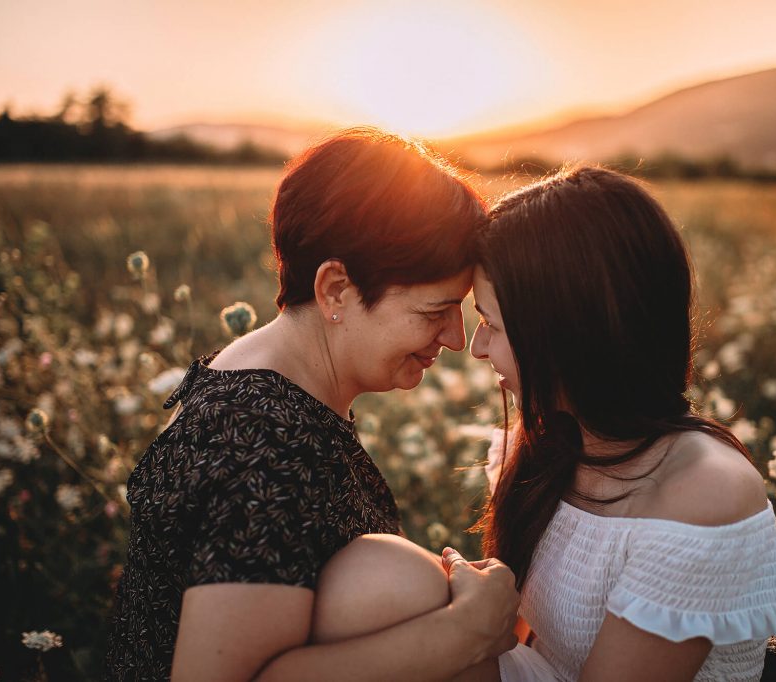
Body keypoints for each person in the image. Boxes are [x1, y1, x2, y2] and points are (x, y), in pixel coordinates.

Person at [104, 128, 519, 681]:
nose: (452, 337)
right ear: (335, 290)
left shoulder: (263, 384)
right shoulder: (261, 437)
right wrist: (463, 633)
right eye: (433, 311)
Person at [464, 166, 776, 681]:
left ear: (568, 331)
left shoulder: (703, 493)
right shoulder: (552, 449)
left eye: (490, 324)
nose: (477, 347)